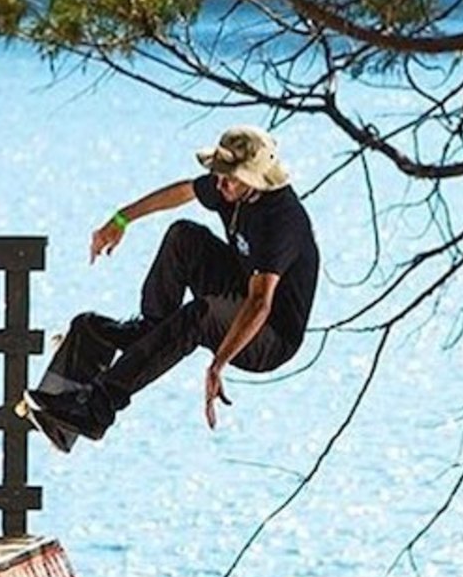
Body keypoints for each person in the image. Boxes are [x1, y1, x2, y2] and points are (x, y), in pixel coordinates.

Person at [23, 125, 320, 448]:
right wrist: (121, 219)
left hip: (268, 335)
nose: (219, 185)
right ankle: (147, 332)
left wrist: (218, 364)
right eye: (218, 175)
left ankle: (97, 410)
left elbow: (260, 302)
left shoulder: (281, 221)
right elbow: (183, 192)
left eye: (230, 179)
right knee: (183, 236)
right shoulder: (228, 186)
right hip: (241, 291)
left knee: (200, 315)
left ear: (255, 179)